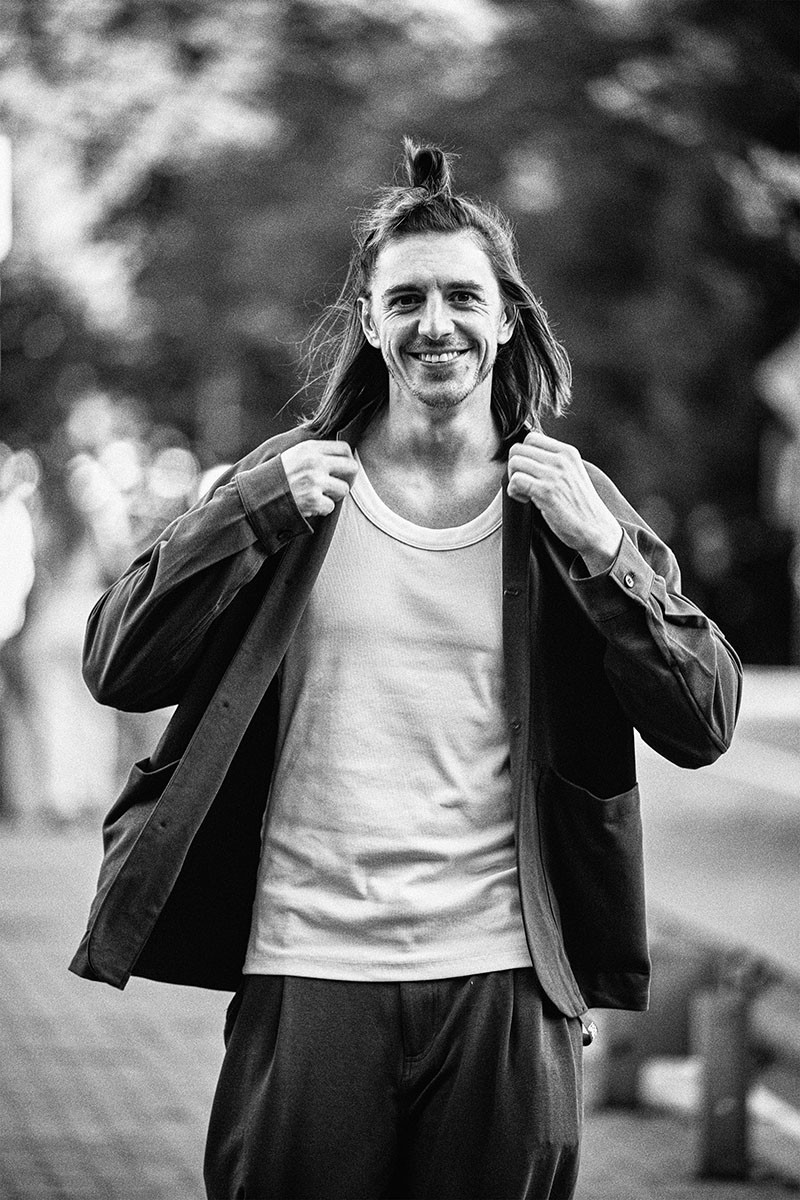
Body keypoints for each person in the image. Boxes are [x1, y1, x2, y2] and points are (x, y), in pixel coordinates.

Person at [70, 140, 742, 1200]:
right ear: (370, 321)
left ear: (506, 317)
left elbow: (702, 719)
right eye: (407, 299)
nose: (437, 324)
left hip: (505, 977)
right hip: (307, 966)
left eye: (463, 297)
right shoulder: (288, 484)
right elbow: (118, 662)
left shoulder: (567, 501)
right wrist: (247, 512)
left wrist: (605, 553)